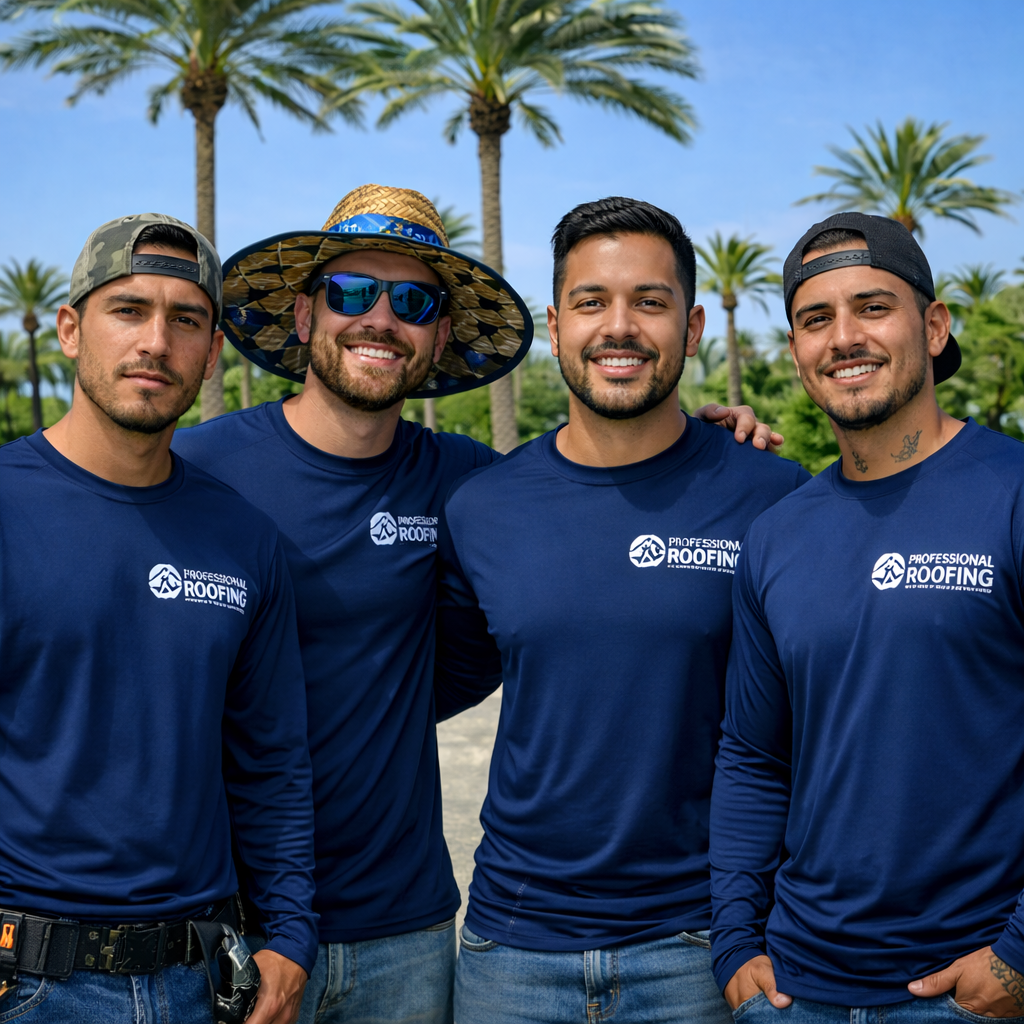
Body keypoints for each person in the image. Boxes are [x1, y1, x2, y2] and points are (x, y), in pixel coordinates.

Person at [173, 185, 777, 1024]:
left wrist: (718, 440)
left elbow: (589, 493)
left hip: (406, 928)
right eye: (351, 292)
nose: (380, 318)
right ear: (306, 316)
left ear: (440, 334)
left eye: (413, 301)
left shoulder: (468, 487)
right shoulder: (195, 472)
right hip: (225, 925)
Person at [436, 196, 809, 1024]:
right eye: (592, 302)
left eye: (650, 301)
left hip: (703, 948)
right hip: (512, 952)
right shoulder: (483, 508)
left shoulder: (776, 498)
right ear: (555, 322)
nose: (620, 326)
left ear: (695, 324)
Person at [0, 214, 316, 1024]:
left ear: (212, 356)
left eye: (186, 320)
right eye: (128, 310)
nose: (156, 342)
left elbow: (270, 760)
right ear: (70, 329)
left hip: (201, 982)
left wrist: (289, 934)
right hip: (29, 982)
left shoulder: (244, 538)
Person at [710, 212, 1024, 1023]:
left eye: (873, 307)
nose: (844, 337)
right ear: (795, 352)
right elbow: (753, 754)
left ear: (933, 323)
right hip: (795, 989)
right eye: (816, 319)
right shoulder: (778, 534)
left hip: (970, 989)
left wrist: (1019, 957)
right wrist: (736, 939)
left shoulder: (1012, 492)